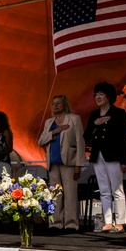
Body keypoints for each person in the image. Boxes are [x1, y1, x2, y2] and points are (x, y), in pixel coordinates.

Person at [84, 82, 126, 232]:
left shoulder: (119, 113)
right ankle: (108, 220)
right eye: (96, 94)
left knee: (117, 189)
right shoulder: (94, 115)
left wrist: (124, 160)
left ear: (109, 96)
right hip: (98, 155)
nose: (97, 97)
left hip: (113, 155)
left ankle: (121, 221)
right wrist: (95, 124)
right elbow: (87, 136)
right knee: (103, 189)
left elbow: (122, 137)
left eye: (100, 94)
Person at [38, 95, 86, 232]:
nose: (56, 106)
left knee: (70, 194)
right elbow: (41, 141)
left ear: (65, 104)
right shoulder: (49, 122)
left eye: (59, 103)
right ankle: (55, 223)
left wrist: (79, 165)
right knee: (55, 195)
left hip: (69, 162)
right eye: (54, 104)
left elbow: (80, 142)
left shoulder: (74, 119)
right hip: (53, 163)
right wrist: (54, 132)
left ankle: (71, 223)